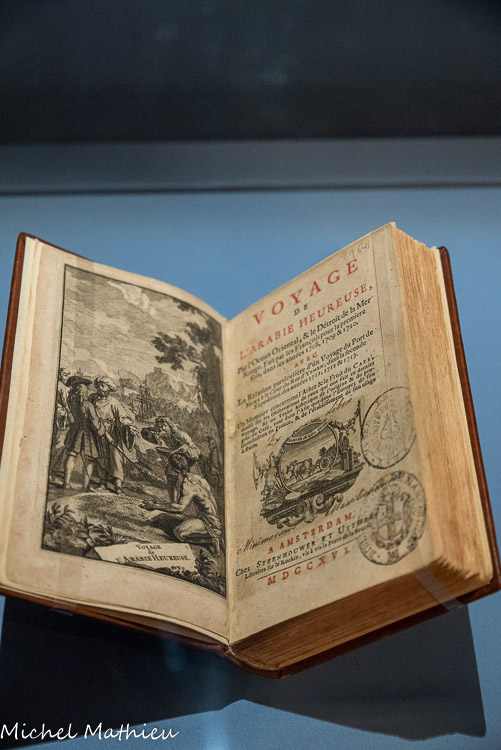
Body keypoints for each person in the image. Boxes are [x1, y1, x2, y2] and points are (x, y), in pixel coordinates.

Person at [89, 376, 137, 494]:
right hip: (98, 432)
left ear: (109, 388)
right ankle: (102, 483)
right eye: (98, 385)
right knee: (101, 457)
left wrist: (128, 425)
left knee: (116, 458)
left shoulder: (114, 402)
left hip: (113, 433)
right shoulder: (93, 399)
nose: (100, 388)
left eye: (103, 386)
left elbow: (122, 417)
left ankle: (118, 485)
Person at [63, 376, 110, 490]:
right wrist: (103, 433)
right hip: (87, 433)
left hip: (74, 431)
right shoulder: (88, 405)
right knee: (89, 460)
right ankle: (85, 486)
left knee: (71, 456)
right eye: (86, 389)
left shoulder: (71, 401)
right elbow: (95, 421)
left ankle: (66, 483)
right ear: (83, 390)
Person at [49, 367, 70, 481]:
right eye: (66, 375)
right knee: (60, 444)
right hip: (61, 418)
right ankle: (51, 470)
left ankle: (54, 471)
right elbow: (66, 404)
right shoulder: (62, 387)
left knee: (60, 443)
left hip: (60, 416)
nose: (67, 377)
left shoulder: (59, 386)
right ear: (61, 375)